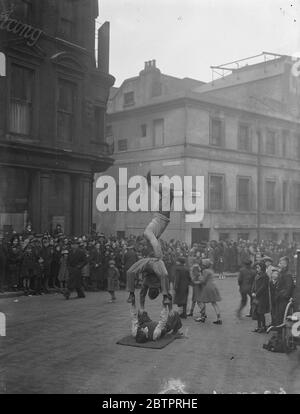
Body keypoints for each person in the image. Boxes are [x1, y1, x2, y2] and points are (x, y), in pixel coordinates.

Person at [143, 171, 174, 260]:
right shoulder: (147, 233)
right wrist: (158, 257)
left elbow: (155, 243)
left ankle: (151, 182)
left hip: (161, 217)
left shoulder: (152, 234)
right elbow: (154, 243)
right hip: (161, 216)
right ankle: (151, 182)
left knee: (167, 193)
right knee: (167, 192)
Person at [195, 259, 222, 324]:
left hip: (207, 287)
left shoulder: (205, 271)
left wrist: (198, 277)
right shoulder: (211, 270)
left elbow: (203, 281)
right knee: (214, 303)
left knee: (202, 301)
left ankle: (203, 317)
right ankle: (219, 318)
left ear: (204, 265)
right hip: (213, 286)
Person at [251, 261, 270, 333]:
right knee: (257, 312)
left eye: (258, 267)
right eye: (256, 267)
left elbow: (263, 287)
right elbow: (253, 284)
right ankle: (259, 327)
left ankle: (263, 327)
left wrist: (256, 293)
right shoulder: (257, 275)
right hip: (256, 297)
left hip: (262, 297)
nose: (257, 269)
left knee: (261, 312)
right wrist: (252, 291)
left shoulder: (265, 276)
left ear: (262, 268)